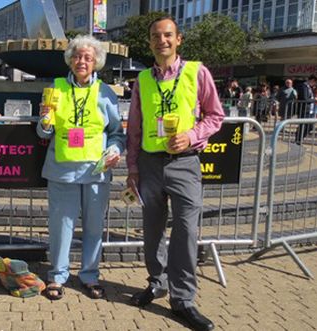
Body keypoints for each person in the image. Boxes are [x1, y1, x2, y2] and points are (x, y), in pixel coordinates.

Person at [125, 16, 224, 331]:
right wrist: (132, 169)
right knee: (152, 229)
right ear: (150, 41)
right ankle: (158, 281)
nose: (161, 40)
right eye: (156, 36)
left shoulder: (198, 71)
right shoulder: (141, 79)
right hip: (150, 164)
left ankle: (182, 300)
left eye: (167, 35)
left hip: (184, 163)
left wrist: (192, 135)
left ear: (178, 39)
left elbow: (215, 115)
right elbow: (135, 129)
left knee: (185, 231)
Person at [36, 35, 125, 301]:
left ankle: (90, 275)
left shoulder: (106, 93)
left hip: (96, 171)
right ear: (70, 60)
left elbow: (116, 133)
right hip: (62, 170)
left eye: (87, 57)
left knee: (94, 227)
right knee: (61, 227)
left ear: (96, 61)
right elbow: (42, 130)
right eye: (77, 56)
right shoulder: (56, 88)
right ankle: (57, 275)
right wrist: (46, 123)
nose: (81, 61)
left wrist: (115, 150)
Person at [295, 74, 317, 145]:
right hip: (304, 110)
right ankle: (298, 141)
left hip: (310, 110)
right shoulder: (303, 86)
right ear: (312, 80)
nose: (315, 84)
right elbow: (305, 98)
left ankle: (300, 139)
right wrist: (314, 99)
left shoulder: (309, 87)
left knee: (310, 126)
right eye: (315, 82)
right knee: (303, 126)